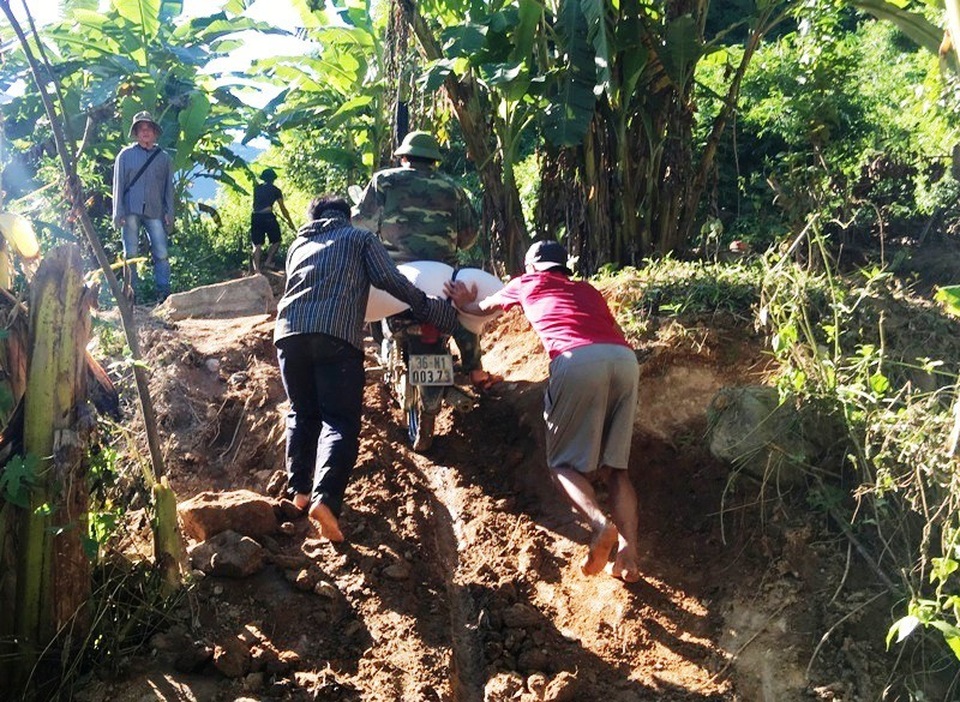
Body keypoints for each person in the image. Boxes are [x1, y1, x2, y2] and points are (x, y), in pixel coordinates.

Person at [444, 240, 641, 582]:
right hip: (624, 360)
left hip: (576, 359)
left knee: (561, 464)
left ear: (532, 266)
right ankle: (629, 556)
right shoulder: (587, 290)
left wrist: (464, 301)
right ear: (564, 266)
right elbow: (615, 331)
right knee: (616, 470)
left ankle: (599, 525)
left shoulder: (528, 282)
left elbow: (483, 308)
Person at [274, 194, 458, 543]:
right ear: (347, 217)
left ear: (314, 217)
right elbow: (392, 281)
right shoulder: (360, 238)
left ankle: (298, 492)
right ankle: (325, 499)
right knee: (339, 421)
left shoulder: (298, 244)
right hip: (335, 336)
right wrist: (431, 308)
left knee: (300, 413)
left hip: (288, 335)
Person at [353, 130, 500, 389]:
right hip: (444, 275)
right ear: (433, 161)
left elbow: (362, 225)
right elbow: (468, 237)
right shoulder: (453, 188)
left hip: (396, 275)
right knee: (462, 312)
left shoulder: (384, 181)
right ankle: (476, 371)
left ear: (404, 158)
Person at [112, 111, 174, 302]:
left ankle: (163, 292)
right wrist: (118, 212)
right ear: (136, 133)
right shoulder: (125, 155)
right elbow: (118, 185)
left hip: (155, 210)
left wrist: (169, 212)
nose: (145, 132)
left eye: (148, 128)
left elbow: (168, 188)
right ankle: (131, 293)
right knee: (130, 254)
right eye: (141, 129)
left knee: (161, 252)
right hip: (130, 209)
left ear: (154, 132)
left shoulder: (164, 158)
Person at [250, 168, 295, 272]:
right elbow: (282, 208)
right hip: (268, 217)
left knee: (257, 244)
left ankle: (257, 270)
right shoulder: (276, 190)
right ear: (273, 179)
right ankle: (268, 262)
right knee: (277, 240)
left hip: (256, 217)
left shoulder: (257, 189)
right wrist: (289, 222)